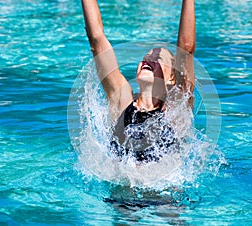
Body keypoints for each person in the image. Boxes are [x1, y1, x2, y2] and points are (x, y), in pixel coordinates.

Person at [81, 0, 196, 163]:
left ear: (172, 77)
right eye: (145, 58)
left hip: (166, 188)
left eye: (157, 59)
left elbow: (187, 48)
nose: (148, 60)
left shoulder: (175, 108)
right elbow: (96, 39)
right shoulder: (122, 101)